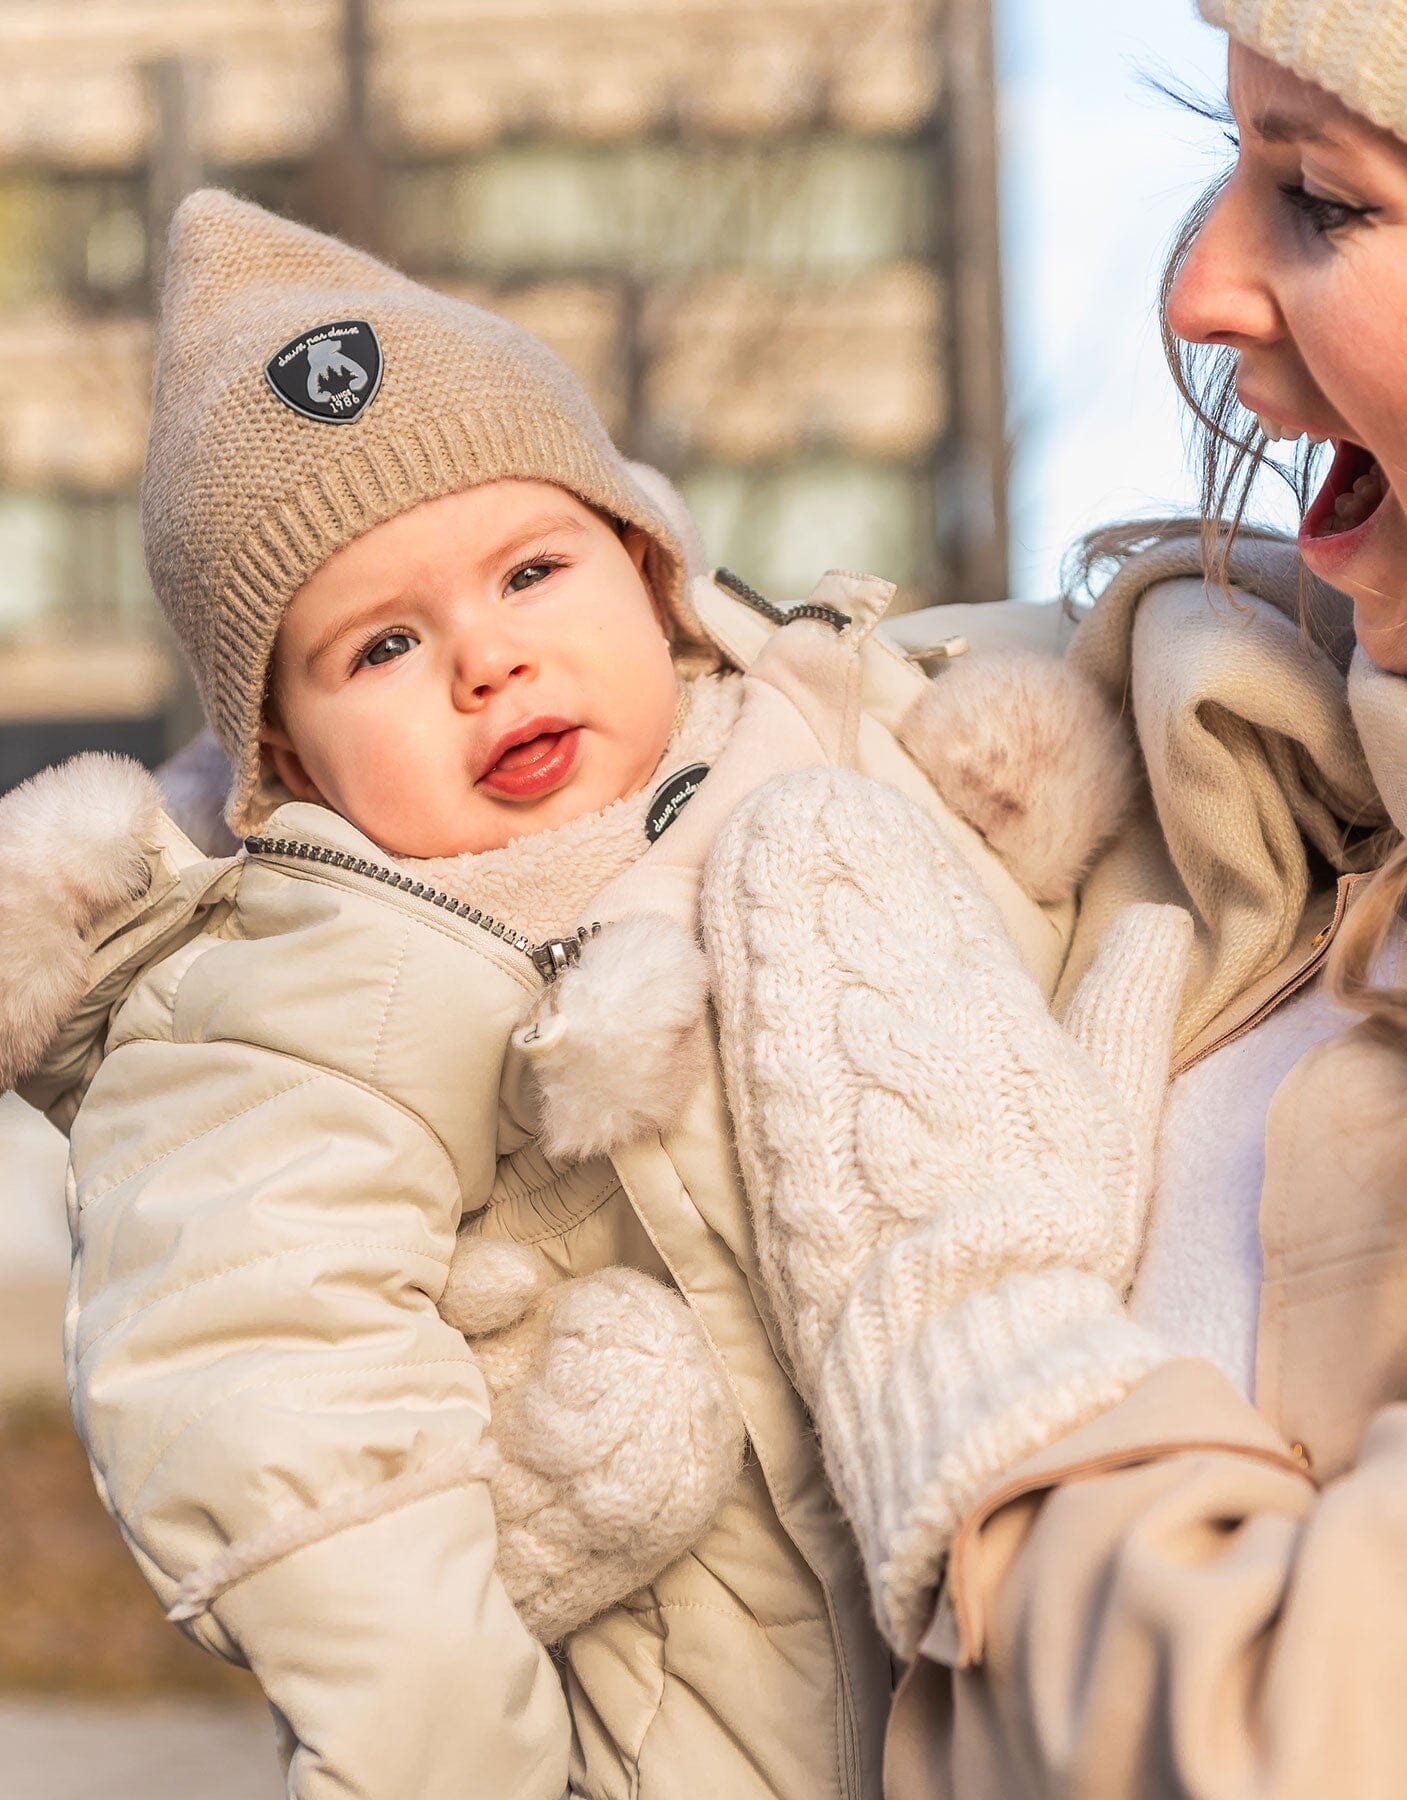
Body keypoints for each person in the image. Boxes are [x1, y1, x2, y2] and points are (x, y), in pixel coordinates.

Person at [0, 190, 1139, 1799]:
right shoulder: (298, 988)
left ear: (650, 564)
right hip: (707, 1737)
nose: (488, 662)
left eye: (533, 568)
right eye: (381, 648)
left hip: (1054, 1649)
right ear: (277, 760)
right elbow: (275, 1412)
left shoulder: (818, 730)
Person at [701, 0, 1407, 1793]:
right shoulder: (1232, 755)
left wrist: (964, 1345)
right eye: (1228, 157)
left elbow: (1305, 1745)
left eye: (1323, 203)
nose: (1197, 287)